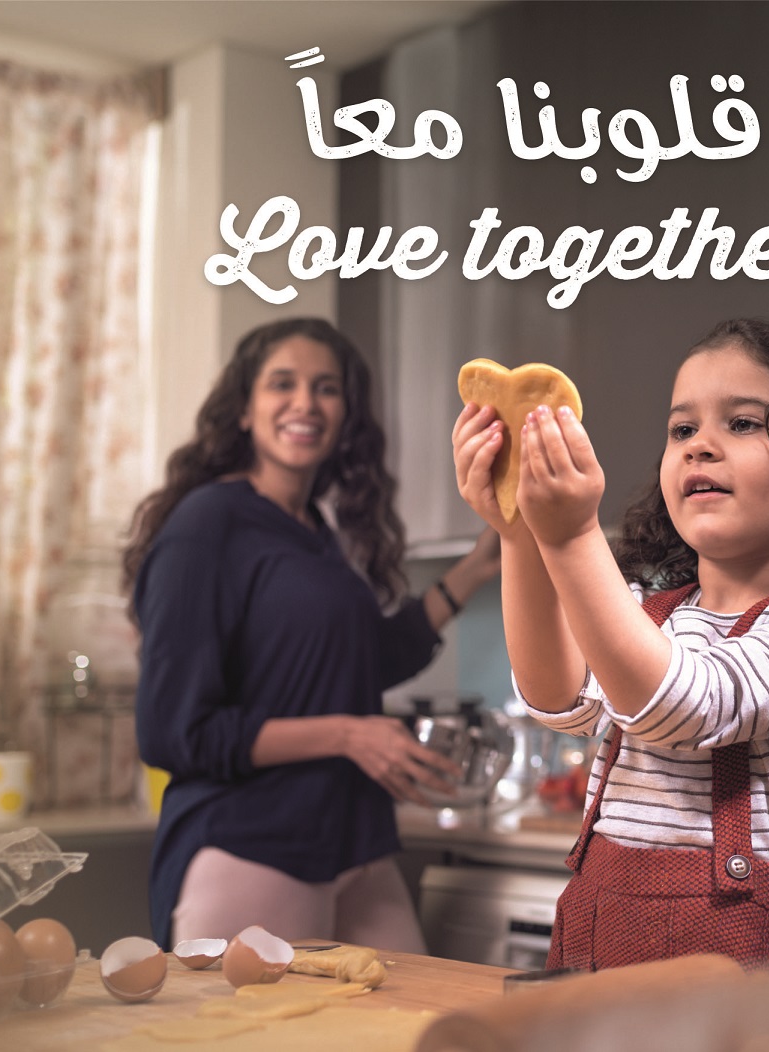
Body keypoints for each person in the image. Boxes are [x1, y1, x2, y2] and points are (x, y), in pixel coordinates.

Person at [452, 318, 769, 971]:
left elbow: (681, 704)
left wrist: (568, 538)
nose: (700, 446)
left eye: (742, 423)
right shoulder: (647, 613)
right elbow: (556, 698)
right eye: (682, 429)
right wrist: (519, 533)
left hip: (742, 975)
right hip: (599, 945)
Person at [123, 316, 499, 952]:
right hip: (250, 846)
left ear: (346, 414)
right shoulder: (207, 525)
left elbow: (354, 664)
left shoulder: (314, 532)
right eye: (282, 384)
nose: (305, 403)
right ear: (244, 409)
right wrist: (348, 734)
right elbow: (172, 731)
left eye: (326, 388)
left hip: (351, 842)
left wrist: (471, 572)